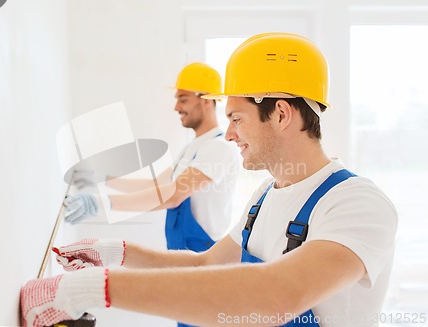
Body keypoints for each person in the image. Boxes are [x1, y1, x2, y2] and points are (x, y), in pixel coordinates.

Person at [21, 32, 398, 327]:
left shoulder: (355, 202)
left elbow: (281, 294)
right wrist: (117, 253)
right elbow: (207, 265)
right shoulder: (265, 196)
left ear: (281, 114)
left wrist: (96, 288)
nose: (229, 134)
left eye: (236, 118)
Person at [63, 62, 240, 256]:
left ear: (206, 100)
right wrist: (101, 179)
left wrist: (101, 203)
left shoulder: (218, 148)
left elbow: (173, 195)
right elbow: (155, 185)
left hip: (206, 256)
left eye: (183, 99)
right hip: (184, 254)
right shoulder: (192, 148)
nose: (176, 107)